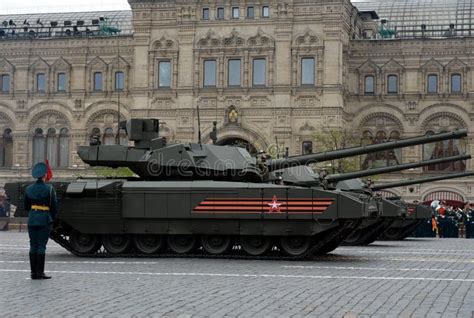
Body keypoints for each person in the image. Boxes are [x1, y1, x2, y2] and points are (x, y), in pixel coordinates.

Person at [25, 162, 57, 280]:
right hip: (44, 219)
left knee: (33, 245)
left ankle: (33, 273)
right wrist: (51, 218)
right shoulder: (49, 189)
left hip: (32, 219)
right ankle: (40, 272)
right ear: (44, 176)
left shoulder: (28, 189)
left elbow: (26, 206)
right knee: (41, 246)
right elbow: (53, 206)